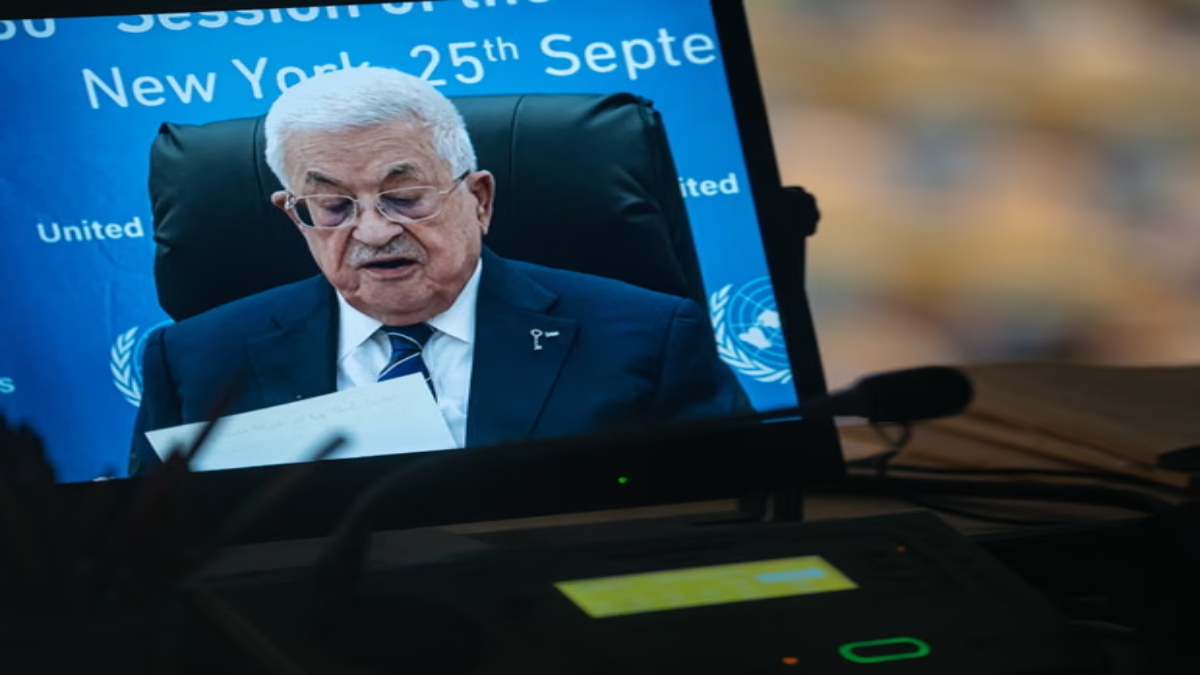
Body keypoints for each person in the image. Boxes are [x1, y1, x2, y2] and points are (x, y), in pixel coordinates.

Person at [129, 67, 751, 474]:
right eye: (333, 206)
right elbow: (156, 554)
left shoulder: (648, 336)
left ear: (478, 200)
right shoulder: (193, 361)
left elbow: (731, 513)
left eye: (406, 197)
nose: (373, 232)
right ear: (295, 217)